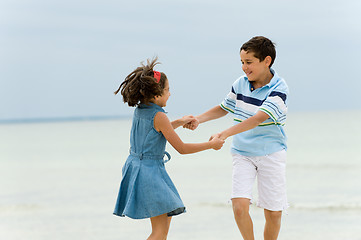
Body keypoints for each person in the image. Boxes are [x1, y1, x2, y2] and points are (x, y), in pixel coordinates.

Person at [185, 36, 289, 240]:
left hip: (272, 153)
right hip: (242, 153)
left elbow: (258, 118)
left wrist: (224, 134)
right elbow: (224, 108)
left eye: (249, 62)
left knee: (274, 213)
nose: (244, 67)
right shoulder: (240, 84)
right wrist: (198, 119)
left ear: (266, 61)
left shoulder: (279, 88)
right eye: (242, 62)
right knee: (239, 207)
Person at [113, 58, 225, 240]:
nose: (170, 94)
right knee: (159, 232)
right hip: (149, 173)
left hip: (137, 168)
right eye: (167, 90)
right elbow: (182, 148)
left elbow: (154, 131)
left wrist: (179, 122)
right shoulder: (159, 116)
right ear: (157, 95)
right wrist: (210, 145)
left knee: (162, 229)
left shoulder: (141, 110)